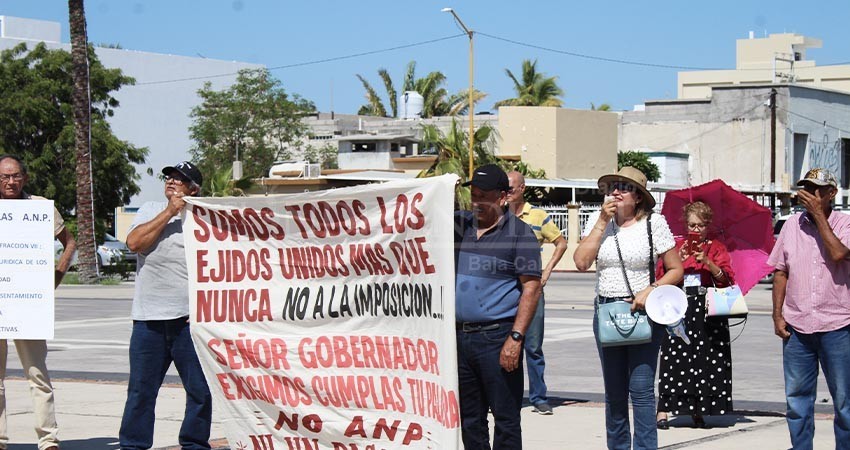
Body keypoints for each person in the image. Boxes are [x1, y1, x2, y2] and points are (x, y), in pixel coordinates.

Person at [573, 166, 683, 450]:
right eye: (613, 187)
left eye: (625, 187)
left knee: (642, 390)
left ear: (639, 197)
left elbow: (676, 270)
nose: (616, 192)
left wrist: (651, 289)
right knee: (614, 392)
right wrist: (601, 221)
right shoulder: (598, 221)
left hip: (642, 312)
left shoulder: (654, 223)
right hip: (607, 312)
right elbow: (581, 262)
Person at [119, 161, 212, 450]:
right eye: (169, 177)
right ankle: (133, 445)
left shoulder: (205, 220)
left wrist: (205, 309)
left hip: (189, 322)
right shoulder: (150, 210)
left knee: (200, 391)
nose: (171, 181)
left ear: (193, 189)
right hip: (148, 321)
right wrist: (170, 211)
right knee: (141, 392)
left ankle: (194, 444)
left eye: (179, 179)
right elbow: (134, 243)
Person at [455, 164, 542, 449]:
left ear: (503, 197)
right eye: (473, 196)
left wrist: (516, 338)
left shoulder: (520, 234)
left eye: (484, 196)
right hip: (459, 339)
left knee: (505, 419)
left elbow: (531, 287)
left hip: (498, 339)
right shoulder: (458, 226)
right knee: (470, 419)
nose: (476, 202)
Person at [768, 168, 850, 450]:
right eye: (806, 188)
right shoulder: (792, 225)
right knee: (797, 400)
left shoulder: (845, 223)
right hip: (797, 326)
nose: (809, 195)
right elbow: (781, 271)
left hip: (838, 325)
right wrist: (777, 315)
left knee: (844, 401)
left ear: (831, 193)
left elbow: (839, 253)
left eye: (817, 189)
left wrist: (818, 215)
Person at [0, 154, 73, 450]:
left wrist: (55, 277)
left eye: (16, 176)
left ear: (25, 178)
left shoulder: (40, 207)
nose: (11, 181)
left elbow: (69, 242)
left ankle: (48, 438)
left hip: (27, 304)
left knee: (37, 373)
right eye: (5, 177)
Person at [655, 201, 736, 430]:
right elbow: (660, 276)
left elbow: (727, 280)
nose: (696, 230)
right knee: (673, 357)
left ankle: (699, 409)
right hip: (679, 306)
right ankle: (664, 409)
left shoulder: (716, 248)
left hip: (707, 309)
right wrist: (678, 260)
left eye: (701, 225)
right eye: (692, 225)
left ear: (708, 225)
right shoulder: (676, 246)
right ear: (686, 225)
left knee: (706, 359)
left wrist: (708, 263)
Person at [505, 171, 567, 416]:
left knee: (532, 346)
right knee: (504, 343)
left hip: (531, 289)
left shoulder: (538, 215)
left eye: (511, 188)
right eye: (504, 189)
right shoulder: (497, 215)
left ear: (522, 188)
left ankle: (539, 397)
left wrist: (547, 271)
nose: (507, 193)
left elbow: (561, 242)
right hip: (504, 289)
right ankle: (506, 397)